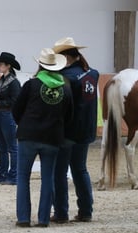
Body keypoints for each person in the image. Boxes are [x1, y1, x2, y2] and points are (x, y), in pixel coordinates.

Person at [12, 48, 73, 227]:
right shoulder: (66, 89)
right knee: (48, 178)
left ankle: (23, 218)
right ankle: (44, 219)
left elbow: (16, 110)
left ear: (40, 65)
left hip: (28, 136)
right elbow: (69, 117)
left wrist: (23, 124)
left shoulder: (31, 85)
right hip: (52, 139)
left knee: (23, 177)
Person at [50, 37, 99, 223]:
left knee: (59, 172)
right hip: (86, 130)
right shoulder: (92, 74)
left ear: (65, 57)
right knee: (80, 170)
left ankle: (61, 212)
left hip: (68, 132)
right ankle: (86, 211)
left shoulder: (64, 78)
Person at [0, 52, 21, 185]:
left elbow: (15, 100)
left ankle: (13, 176)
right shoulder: (0, 81)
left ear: (8, 66)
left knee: (12, 147)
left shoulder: (14, 83)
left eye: (0, 64)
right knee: (2, 147)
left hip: (8, 115)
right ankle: (2, 174)